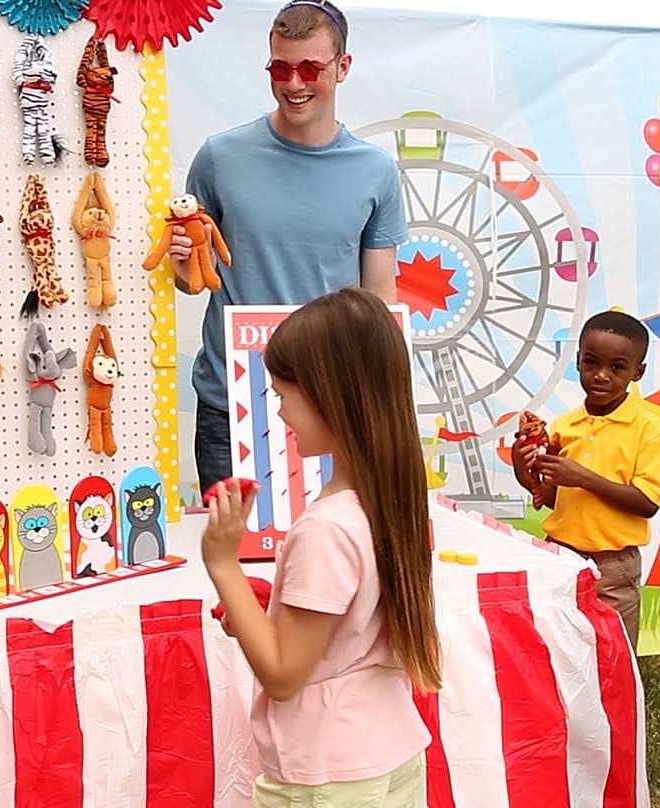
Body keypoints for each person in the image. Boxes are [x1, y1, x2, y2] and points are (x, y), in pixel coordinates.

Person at [201, 289, 439, 807]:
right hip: (388, 749)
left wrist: (223, 565)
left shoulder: (327, 528)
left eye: (286, 395)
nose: (281, 412)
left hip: (326, 775)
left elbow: (284, 674)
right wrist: (263, 606)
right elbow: (348, 627)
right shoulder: (391, 503)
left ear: (333, 396)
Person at [169, 0, 407, 493]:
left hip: (331, 402)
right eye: (281, 68)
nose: (294, 84)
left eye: (309, 68)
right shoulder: (220, 157)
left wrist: (379, 401)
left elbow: (380, 296)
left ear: (342, 67)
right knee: (230, 562)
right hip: (229, 404)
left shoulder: (375, 170)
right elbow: (192, 281)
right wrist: (181, 261)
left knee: (329, 557)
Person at [512, 311, 660, 647]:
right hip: (561, 554)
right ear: (578, 361)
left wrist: (583, 477)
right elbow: (552, 497)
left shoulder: (651, 430)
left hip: (613, 565)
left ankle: (617, 703)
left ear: (637, 372)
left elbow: (647, 503)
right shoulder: (565, 426)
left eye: (617, 367)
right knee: (561, 645)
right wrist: (523, 467)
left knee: (614, 650)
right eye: (591, 363)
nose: (600, 375)